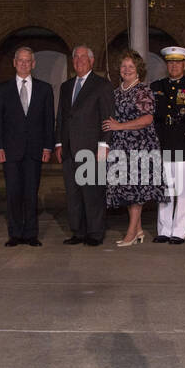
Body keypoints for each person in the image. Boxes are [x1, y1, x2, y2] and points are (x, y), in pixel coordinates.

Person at [0, 45, 54, 247]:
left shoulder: (45, 89)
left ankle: (30, 234)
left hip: (35, 150)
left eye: (28, 61)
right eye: (20, 60)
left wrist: (48, 147)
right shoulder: (2, 89)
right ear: (14, 63)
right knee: (13, 193)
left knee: (31, 193)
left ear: (33, 64)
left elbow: (48, 121)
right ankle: (15, 234)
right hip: (10, 151)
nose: (24, 64)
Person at [104, 50, 166, 246]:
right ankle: (138, 230)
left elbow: (147, 119)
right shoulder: (116, 91)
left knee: (136, 191)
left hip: (141, 146)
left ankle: (130, 233)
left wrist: (119, 126)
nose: (126, 69)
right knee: (128, 191)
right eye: (124, 66)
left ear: (139, 69)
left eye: (131, 66)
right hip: (122, 147)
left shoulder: (142, 90)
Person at [55, 44, 116, 246]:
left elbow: (107, 117)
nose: (79, 60)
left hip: (92, 149)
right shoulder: (66, 86)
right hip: (69, 149)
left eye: (83, 57)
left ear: (91, 61)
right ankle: (78, 232)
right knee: (73, 193)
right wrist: (58, 143)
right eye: (76, 57)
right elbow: (62, 117)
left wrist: (104, 145)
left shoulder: (102, 85)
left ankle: (95, 233)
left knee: (92, 194)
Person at [150, 46, 185, 244]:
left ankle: (179, 231)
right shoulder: (157, 86)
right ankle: (164, 229)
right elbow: (152, 119)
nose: (174, 66)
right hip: (163, 143)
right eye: (170, 62)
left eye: (178, 62)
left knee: (182, 192)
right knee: (165, 190)